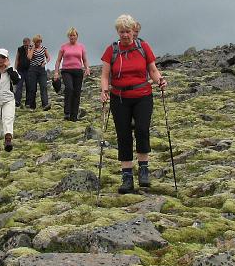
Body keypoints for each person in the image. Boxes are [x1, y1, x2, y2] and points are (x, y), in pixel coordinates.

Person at [100, 15, 167, 194]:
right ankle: (127, 176)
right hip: (119, 98)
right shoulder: (111, 50)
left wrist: (160, 80)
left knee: (142, 130)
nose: (125, 35)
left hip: (143, 95)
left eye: (127, 31)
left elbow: (152, 70)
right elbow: (105, 75)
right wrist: (104, 90)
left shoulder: (143, 47)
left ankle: (144, 170)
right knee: (123, 135)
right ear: (117, 32)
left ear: (133, 31)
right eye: (121, 32)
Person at [54, 27, 90, 121]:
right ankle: (67, 112)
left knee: (76, 93)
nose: (72, 37)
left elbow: (85, 60)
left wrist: (87, 68)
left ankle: (74, 117)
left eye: (74, 35)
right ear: (68, 36)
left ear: (77, 36)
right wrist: (56, 72)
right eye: (70, 35)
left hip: (78, 71)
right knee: (69, 88)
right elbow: (58, 60)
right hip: (66, 71)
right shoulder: (63, 47)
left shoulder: (81, 47)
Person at [25, 34, 51, 111]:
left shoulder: (44, 48)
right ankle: (32, 106)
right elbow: (29, 57)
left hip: (41, 69)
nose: (38, 43)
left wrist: (45, 62)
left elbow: (48, 57)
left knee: (43, 86)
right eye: (37, 42)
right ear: (34, 42)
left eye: (39, 42)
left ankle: (45, 104)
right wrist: (33, 48)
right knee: (33, 88)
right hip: (33, 69)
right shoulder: (30, 48)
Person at [13, 37, 31, 107]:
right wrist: (15, 69)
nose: (25, 46)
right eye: (24, 44)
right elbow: (17, 59)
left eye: (27, 44)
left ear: (29, 43)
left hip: (29, 70)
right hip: (20, 70)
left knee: (29, 86)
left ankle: (28, 103)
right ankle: (17, 101)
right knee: (19, 86)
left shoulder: (32, 49)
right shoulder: (20, 49)